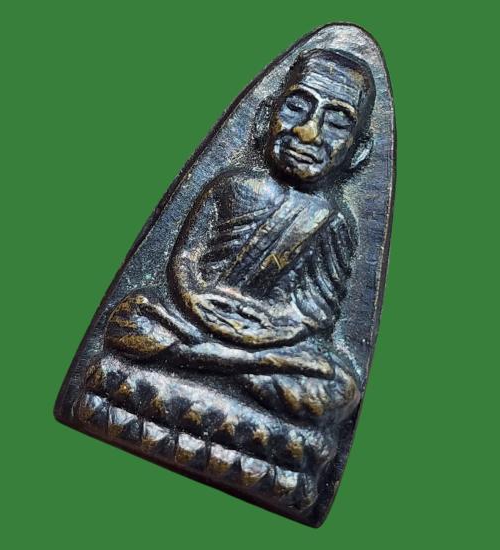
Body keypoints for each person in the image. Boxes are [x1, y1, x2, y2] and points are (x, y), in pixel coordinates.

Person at [104, 49, 375, 423]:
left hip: (267, 341)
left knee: (339, 388)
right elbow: (184, 260)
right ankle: (226, 364)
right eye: (297, 108)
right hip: (197, 318)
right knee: (131, 317)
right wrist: (197, 300)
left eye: (337, 123)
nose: (308, 132)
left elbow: (317, 310)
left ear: (359, 151)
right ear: (266, 116)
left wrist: (270, 330)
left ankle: (204, 361)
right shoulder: (232, 186)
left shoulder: (334, 222)